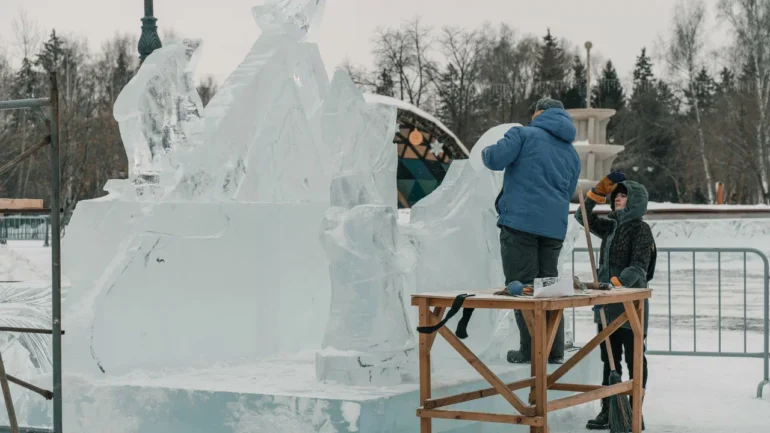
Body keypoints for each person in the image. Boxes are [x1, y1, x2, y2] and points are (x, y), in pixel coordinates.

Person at [481, 98, 581, 364]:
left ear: (538, 113)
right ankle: (554, 349)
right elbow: (568, 191)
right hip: (553, 230)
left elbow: (494, 159)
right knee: (549, 288)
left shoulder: (523, 134)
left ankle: (531, 350)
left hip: (521, 225)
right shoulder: (571, 153)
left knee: (522, 287)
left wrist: (484, 151)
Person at [574, 172, 656, 430]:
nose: (618, 199)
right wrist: (597, 193)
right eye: (616, 195)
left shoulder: (641, 229)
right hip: (608, 305)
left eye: (624, 196)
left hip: (631, 304)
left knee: (634, 358)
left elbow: (639, 267)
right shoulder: (610, 226)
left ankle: (633, 409)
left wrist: (617, 284)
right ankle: (609, 409)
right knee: (609, 359)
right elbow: (582, 217)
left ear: (635, 201)